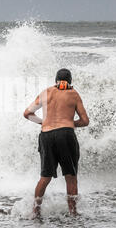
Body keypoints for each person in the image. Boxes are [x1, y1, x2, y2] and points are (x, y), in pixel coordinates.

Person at [23, 68, 89, 218]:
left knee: (45, 177)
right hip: (65, 135)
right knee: (70, 176)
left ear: (56, 79)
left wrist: (43, 122)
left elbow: (27, 113)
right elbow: (85, 121)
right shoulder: (73, 94)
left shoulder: (46, 92)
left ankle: (35, 212)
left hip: (46, 135)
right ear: (70, 80)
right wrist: (69, 124)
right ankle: (73, 213)